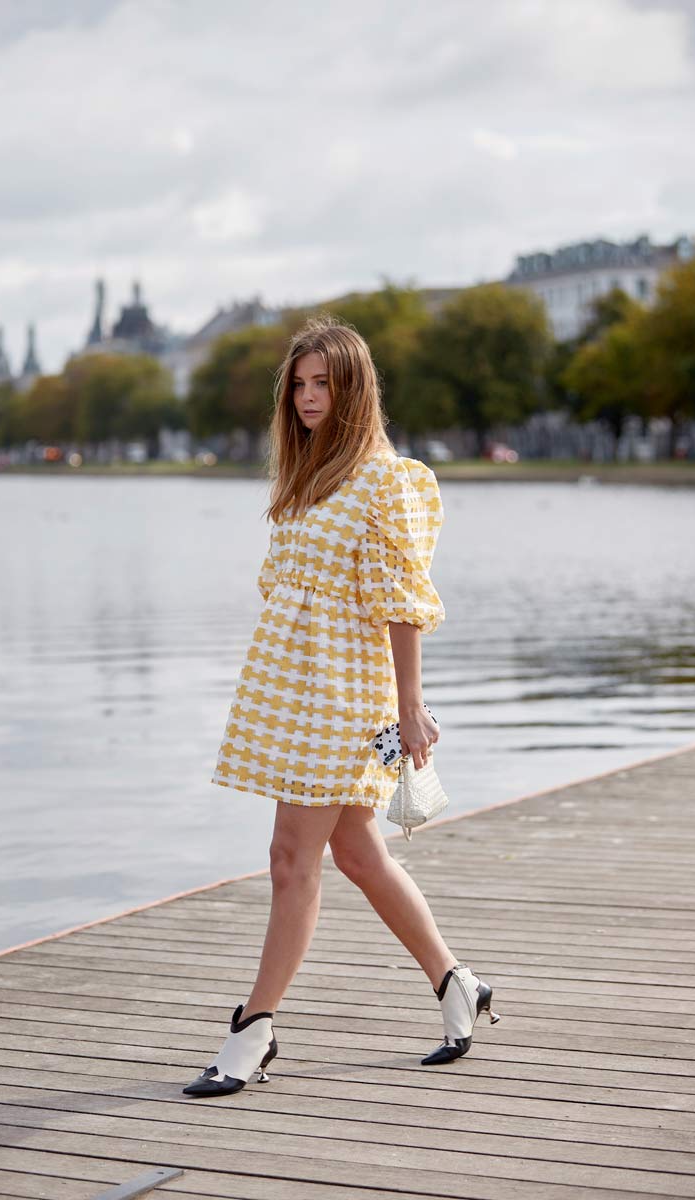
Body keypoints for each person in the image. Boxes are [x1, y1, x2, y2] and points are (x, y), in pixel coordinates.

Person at [183, 316, 498, 1098]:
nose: (308, 396)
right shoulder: (309, 474)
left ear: (354, 388)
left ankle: (253, 1030)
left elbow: (403, 604)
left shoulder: (389, 481)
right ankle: (456, 982)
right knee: (357, 853)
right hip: (294, 689)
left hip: (346, 697)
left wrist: (410, 708)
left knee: (292, 859)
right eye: (299, 383)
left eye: (323, 383)